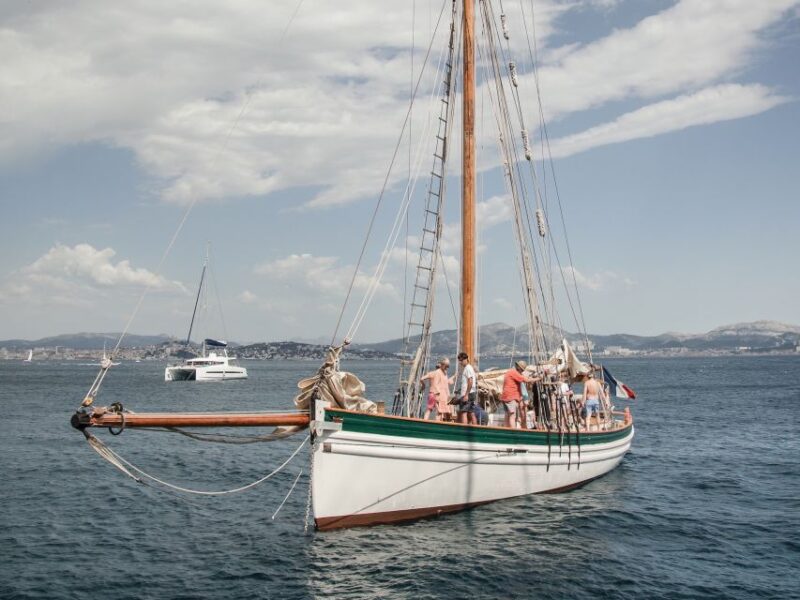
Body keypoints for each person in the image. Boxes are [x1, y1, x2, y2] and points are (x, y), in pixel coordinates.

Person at [500, 360, 541, 429]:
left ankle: (506, 430)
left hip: (505, 396)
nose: (522, 372)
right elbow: (526, 380)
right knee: (512, 415)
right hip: (511, 397)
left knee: (507, 414)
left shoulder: (510, 372)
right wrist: (539, 378)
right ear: (519, 368)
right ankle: (513, 432)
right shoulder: (514, 373)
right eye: (522, 370)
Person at [452, 351, 477, 425]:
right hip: (471, 393)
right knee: (471, 413)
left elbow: (470, 381)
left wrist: (466, 394)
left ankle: (464, 430)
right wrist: (459, 390)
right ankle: (475, 428)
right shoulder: (469, 368)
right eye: (460, 361)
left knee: (463, 412)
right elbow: (467, 382)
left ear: (466, 359)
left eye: (461, 360)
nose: (460, 362)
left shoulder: (468, 368)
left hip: (468, 394)